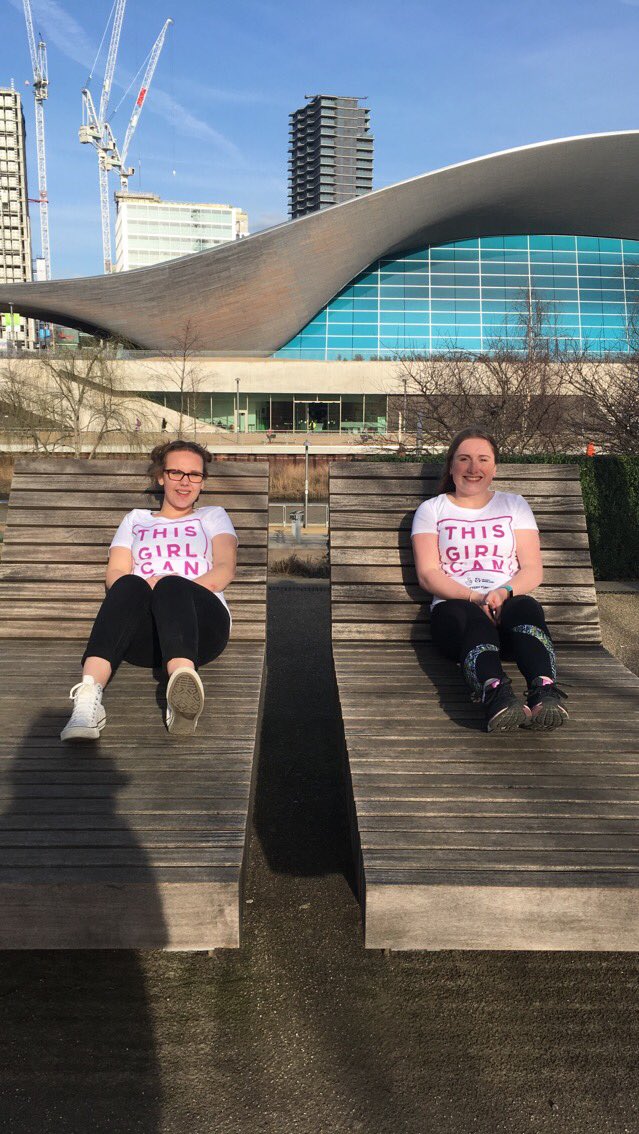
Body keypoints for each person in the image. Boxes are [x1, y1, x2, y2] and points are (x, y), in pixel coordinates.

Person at [61, 440, 237, 742]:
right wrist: (147, 590)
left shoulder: (213, 516)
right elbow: (115, 573)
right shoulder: (135, 520)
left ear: (203, 482)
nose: (185, 482)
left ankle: (181, 685)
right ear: (160, 476)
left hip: (202, 629)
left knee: (170, 584)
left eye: (194, 475)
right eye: (176, 473)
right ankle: (88, 700)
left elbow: (223, 571)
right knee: (128, 582)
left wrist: (170, 588)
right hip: (143, 638)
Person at [411, 427, 568, 733]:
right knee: (466, 613)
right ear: (451, 466)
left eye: (483, 459)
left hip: (507, 614)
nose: (474, 468)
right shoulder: (432, 510)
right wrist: (474, 597)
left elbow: (533, 569)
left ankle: (544, 691)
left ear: (494, 467)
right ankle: (496, 695)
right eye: (464, 459)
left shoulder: (514, 505)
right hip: (456, 613)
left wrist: (503, 592)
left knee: (526, 607)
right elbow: (428, 574)